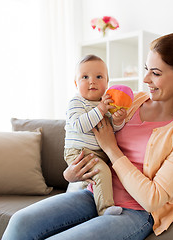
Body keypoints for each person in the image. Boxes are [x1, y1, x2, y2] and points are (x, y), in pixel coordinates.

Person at [2, 33, 173, 240]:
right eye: (146, 69)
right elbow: (83, 131)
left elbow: (153, 199)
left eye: (156, 73)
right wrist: (70, 174)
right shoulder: (132, 101)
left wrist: (111, 149)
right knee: (20, 222)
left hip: (136, 211)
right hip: (93, 194)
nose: (145, 79)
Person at [64, 54, 125, 216]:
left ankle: (94, 199)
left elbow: (113, 130)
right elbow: (79, 125)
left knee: (109, 173)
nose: (92, 81)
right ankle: (105, 209)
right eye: (85, 77)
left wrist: (119, 121)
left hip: (99, 153)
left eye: (99, 76)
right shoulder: (76, 102)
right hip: (80, 152)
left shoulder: (105, 104)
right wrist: (100, 110)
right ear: (76, 83)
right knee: (101, 172)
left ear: (107, 83)